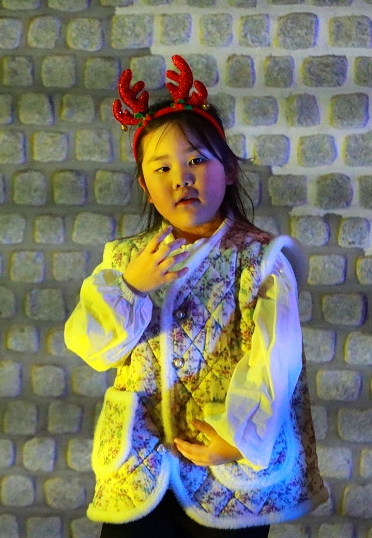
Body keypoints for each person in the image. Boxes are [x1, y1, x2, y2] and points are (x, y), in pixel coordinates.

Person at [64, 55, 327, 537]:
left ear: (229, 170)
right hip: (140, 464)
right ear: (146, 186)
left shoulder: (262, 259)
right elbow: (93, 348)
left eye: (196, 161)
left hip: (225, 463)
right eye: (162, 167)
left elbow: (276, 357)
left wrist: (238, 436)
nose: (181, 178)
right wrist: (130, 288)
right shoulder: (125, 260)